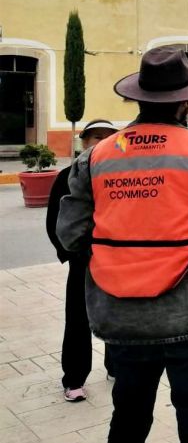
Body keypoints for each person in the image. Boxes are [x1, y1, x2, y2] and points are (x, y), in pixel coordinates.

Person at [56, 47, 188, 443]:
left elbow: (69, 235)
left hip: (121, 318)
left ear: (139, 98)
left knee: (128, 420)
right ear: (185, 101)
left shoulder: (96, 156)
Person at [46, 119, 119, 402]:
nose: (100, 143)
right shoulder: (66, 176)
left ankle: (115, 366)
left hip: (116, 261)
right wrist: (72, 253)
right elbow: (55, 222)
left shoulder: (121, 176)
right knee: (77, 320)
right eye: (95, 137)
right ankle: (74, 378)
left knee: (117, 317)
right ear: (84, 142)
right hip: (83, 262)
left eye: (108, 138)